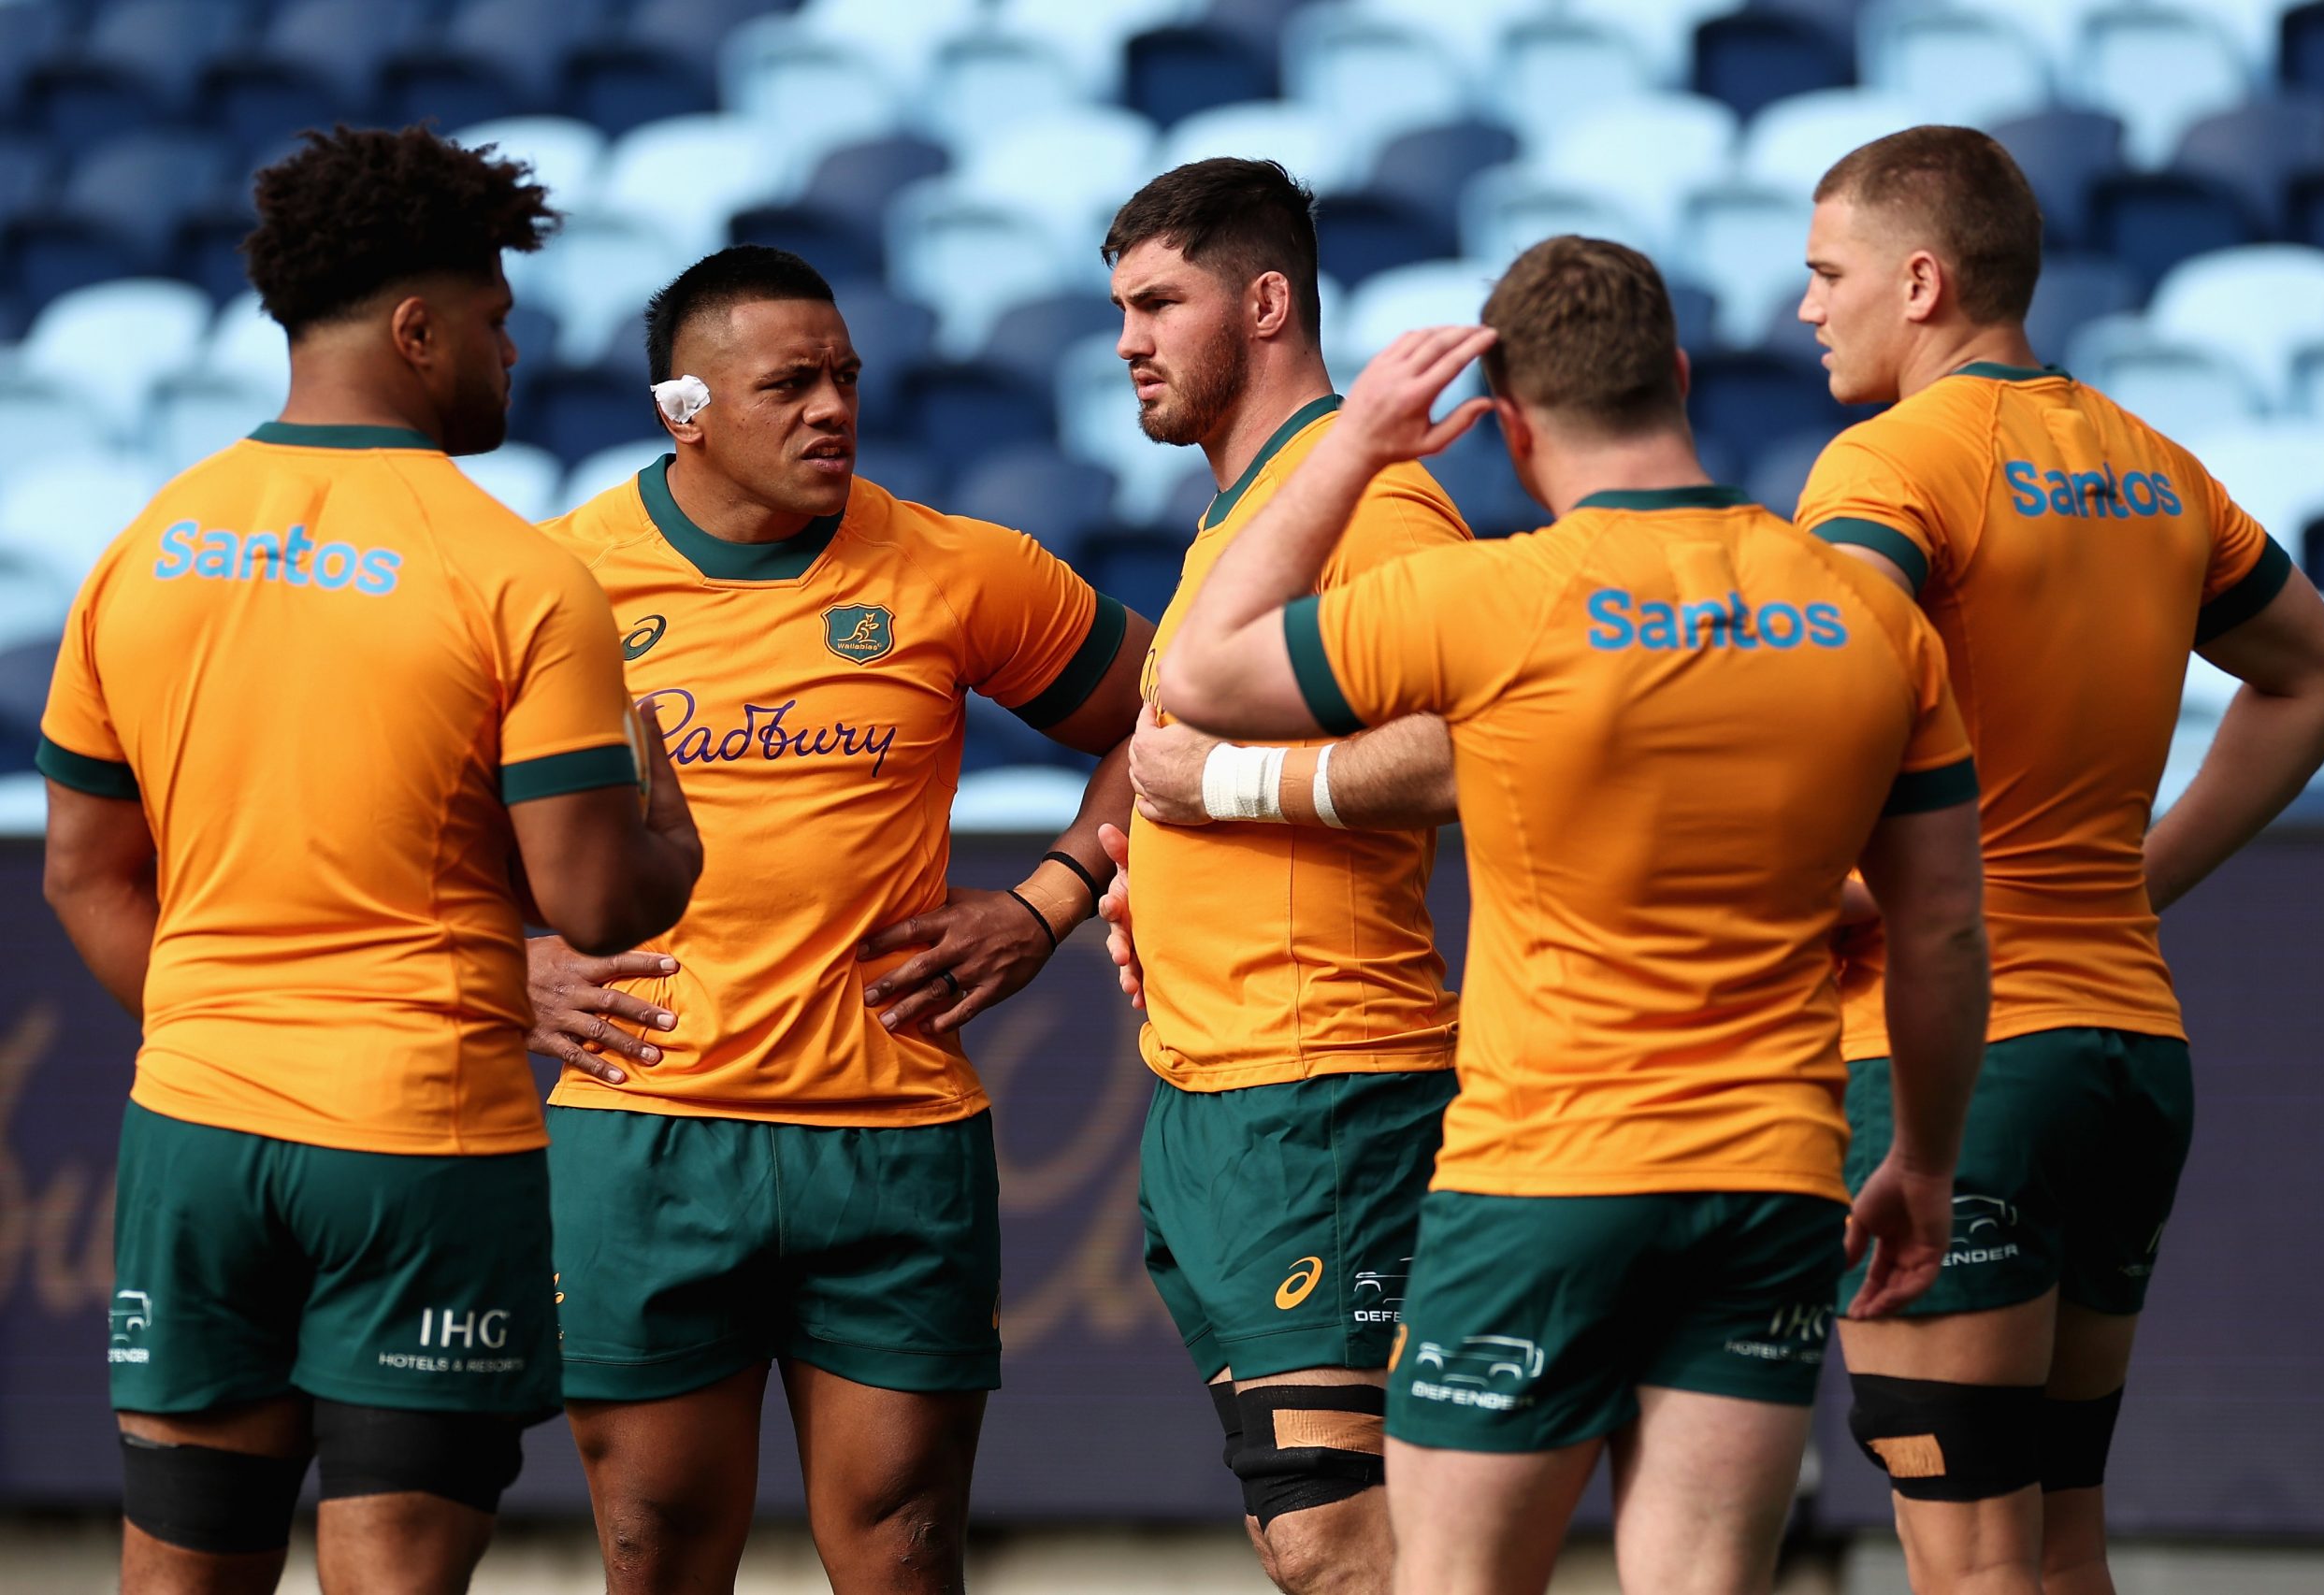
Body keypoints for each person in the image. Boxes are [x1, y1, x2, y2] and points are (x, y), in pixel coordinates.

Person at [1158, 236, 1993, 1595]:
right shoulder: (1864, 614)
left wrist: (1358, 444)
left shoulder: (1493, 597)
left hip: (1543, 1179)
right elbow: (1945, 932)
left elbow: (1200, 665)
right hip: (1772, 1176)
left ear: (1512, 427)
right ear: (1673, 374)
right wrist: (1932, 1163)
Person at [36, 125, 702, 1595]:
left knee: (176, 1571)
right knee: (393, 1572)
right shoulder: (519, 575)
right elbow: (595, 903)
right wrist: (673, 829)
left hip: (195, 1129)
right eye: (494, 321)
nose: (511, 353)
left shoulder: (143, 548)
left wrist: (227, 1028)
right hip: (419, 1138)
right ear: (417, 330)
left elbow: (83, 871)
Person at [1793, 125, 2324, 1595]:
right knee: (2058, 1543)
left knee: (1972, 1559)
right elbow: (2323, 675)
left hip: (1962, 1067)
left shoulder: (1890, 463)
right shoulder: (2152, 462)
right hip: (2127, 1046)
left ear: (1919, 281)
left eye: (1827, 273)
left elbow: (1828, 690)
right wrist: (2140, 877)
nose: (1805, 309)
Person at [525, 244, 1148, 1595]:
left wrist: (1046, 904)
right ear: (683, 411)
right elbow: (414, 820)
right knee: (656, 1547)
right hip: (645, 1132)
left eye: (847, 377)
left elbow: (1166, 721)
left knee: (904, 1551)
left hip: (893, 1135)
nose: (832, 409)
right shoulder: (556, 581)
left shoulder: (957, 566)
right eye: (789, 383)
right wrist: (512, 966)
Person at [1093, 157, 1471, 1595]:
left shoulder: (1369, 502)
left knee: (1347, 1536)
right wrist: (1167, 882)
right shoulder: (1248, 512)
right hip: (1220, 1094)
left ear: (1264, 301)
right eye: (1118, 308)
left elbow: (1464, 741)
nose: (1127, 337)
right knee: (1300, 1525)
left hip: (1327, 1088)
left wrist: (1231, 790)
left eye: (1156, 302)